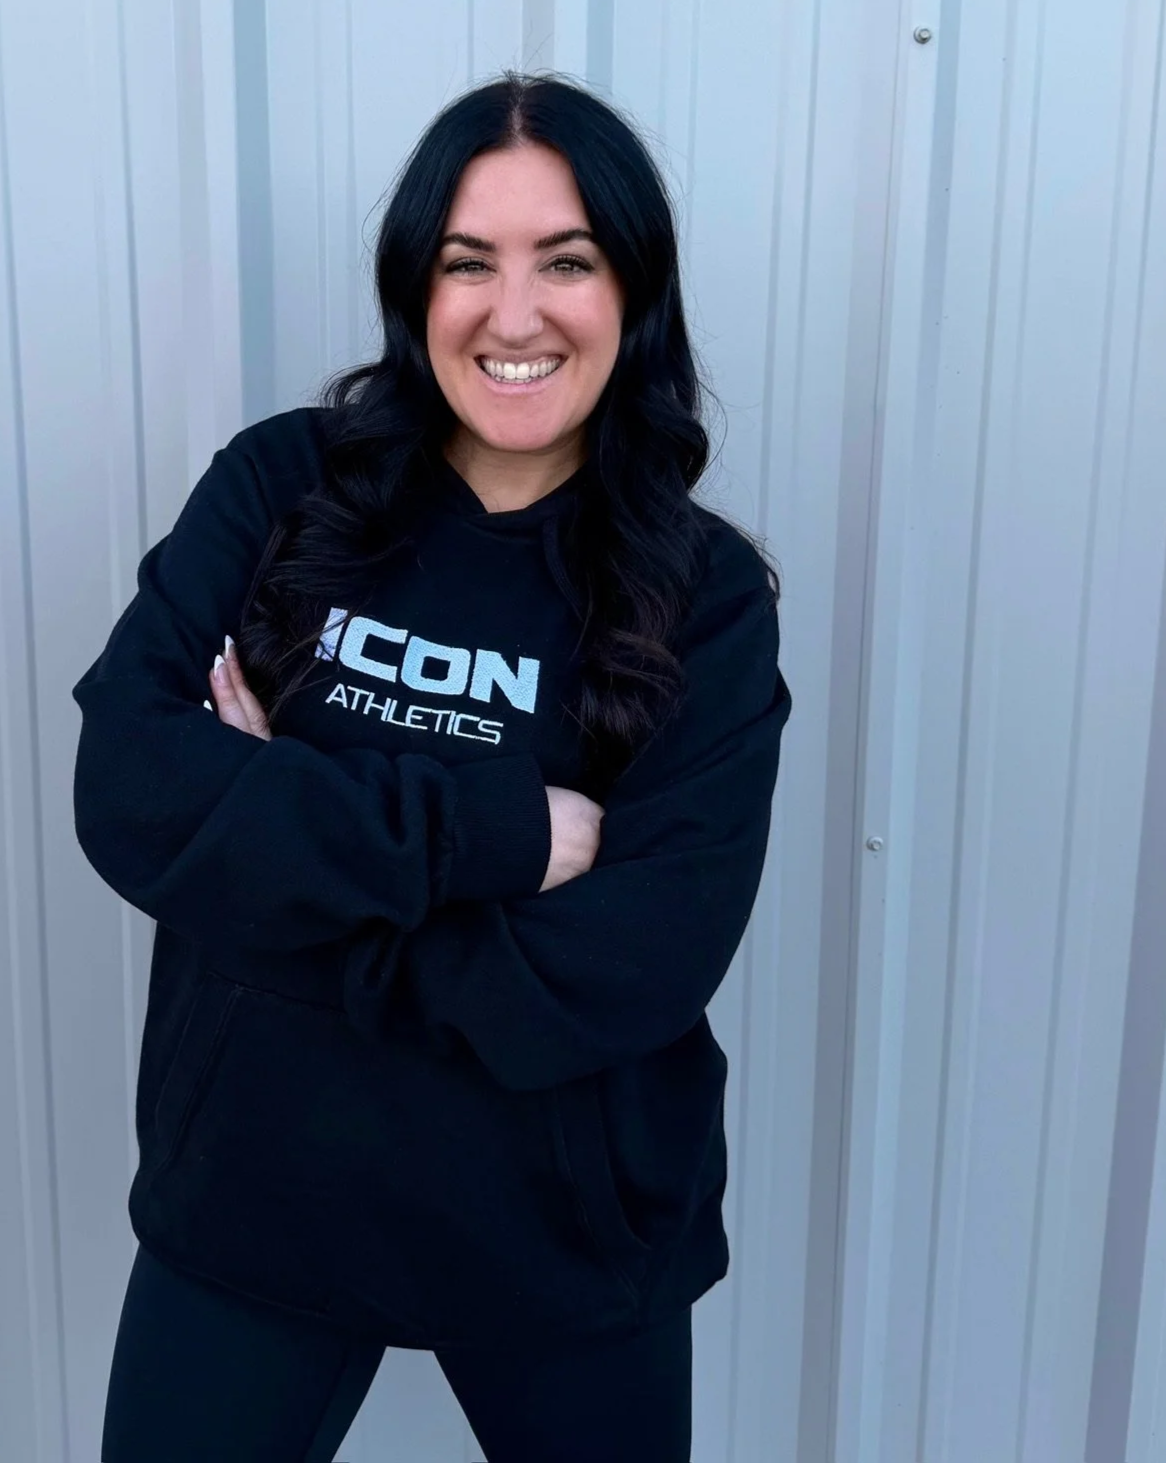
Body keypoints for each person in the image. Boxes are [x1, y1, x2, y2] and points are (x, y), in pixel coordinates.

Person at [72, 70, 793, 1462]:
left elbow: (637, 958)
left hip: (568, 1235)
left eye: (565, 263)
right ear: (416, 288)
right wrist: (501, 839)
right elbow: (131, 786)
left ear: (633, 290)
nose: (513, 315)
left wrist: (274, 860)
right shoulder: (280, 487)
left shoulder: (702, 597)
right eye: (470, 264)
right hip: (255, 1198)